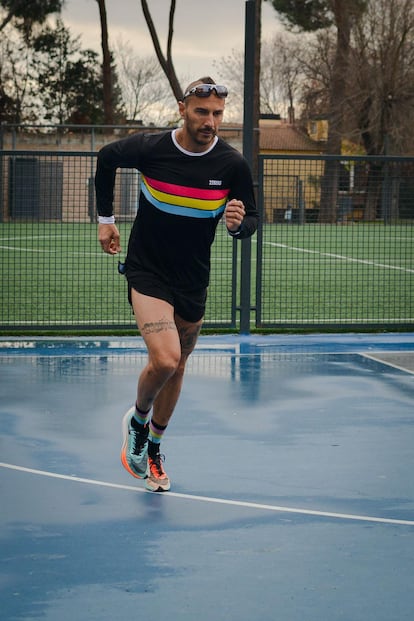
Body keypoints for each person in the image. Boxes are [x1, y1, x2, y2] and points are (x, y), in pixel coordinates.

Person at [95, 77, 258, 492]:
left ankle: (153, 448)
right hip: (147, 270)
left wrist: (239, 227)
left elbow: (251, 218)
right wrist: (106, 221)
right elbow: (106, 157)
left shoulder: (232, 165)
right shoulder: (152, 148)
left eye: (218, 113)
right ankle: (137, 420)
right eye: (202, 111)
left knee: (180, 365)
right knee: (166, 359)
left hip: (193, 278)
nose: (210, 121)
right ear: (183, 108)